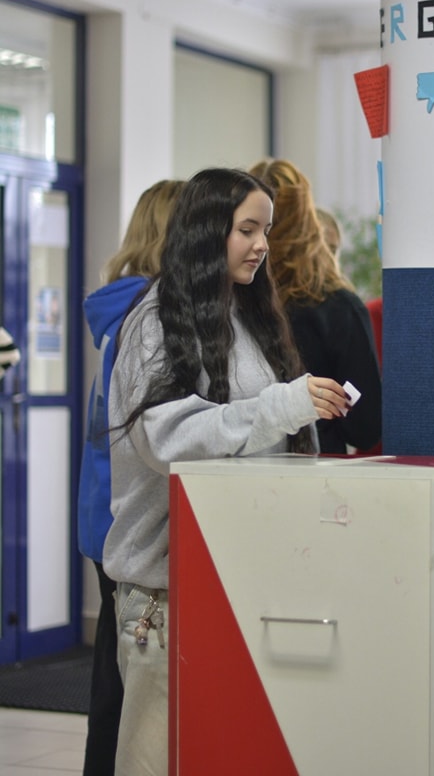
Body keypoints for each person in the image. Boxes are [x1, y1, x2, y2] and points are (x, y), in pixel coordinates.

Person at [102, 167, 350, 776]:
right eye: (247, 230)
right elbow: (168, 440)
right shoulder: (154, 321)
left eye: (265, 230)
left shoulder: (249, 314)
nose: (262, 245)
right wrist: (281, 406)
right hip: (165, 597)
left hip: (243, 580)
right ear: (207, 230)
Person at [78, 179, 185, 776]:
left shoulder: (117, 307)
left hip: (104, 514)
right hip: (129, 521)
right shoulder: (149, 317)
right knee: (122, 691)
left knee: (112, 681)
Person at [249, 158, 381, 454]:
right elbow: (365, 427)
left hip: (235, 465)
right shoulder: (339, 308)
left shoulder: (226, 303)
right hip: (314, 466)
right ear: (309, 223)